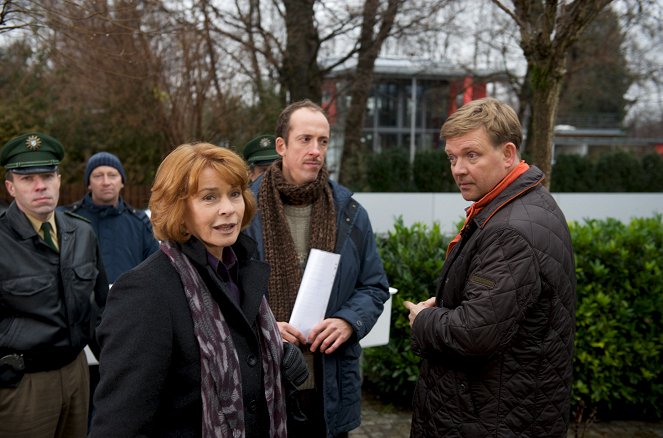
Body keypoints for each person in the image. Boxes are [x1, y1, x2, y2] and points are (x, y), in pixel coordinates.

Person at [90, 143, 306, 437]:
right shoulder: (144, 291)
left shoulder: (240, 269)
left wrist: (274, 355)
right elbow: (120, 423)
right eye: (209, 197)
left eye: (234, 194)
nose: (228, 209)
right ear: (176, 206)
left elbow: (230, 350)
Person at [404, 97, 576, 437]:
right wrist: (451, 304)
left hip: (491, 419)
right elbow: (501, 307)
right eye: (452, 158)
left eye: (472, 155)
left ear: (508, 154)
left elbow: (474, 332)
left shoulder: (509, 229)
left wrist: (424, 321)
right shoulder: (521, 205)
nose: (458, 169)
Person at [244, 100, 390, 438]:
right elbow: (222, 293)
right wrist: (261, 326)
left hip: (329, 383)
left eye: (323, 141)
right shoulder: (243, 212)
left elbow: (374, 286)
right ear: (281, 146)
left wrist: (348, 321)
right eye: (305, 139)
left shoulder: (350, 213)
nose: (316, 150)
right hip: (263, 381)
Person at [0, 132, 108, 438]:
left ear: (59, 180)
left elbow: (100, 306)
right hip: (22, 384)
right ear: (11, 187)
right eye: (27, 178)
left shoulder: (82, 233)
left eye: (47, 176)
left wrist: (113, 364)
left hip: (78, 373)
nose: (40, 186)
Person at [62, 151, 159, 284]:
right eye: (98, 176)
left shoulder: (140, 223)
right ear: (89, 183)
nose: (106, 182)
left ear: (122, 182)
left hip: (130, 302)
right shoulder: (67, 220)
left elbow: (155, 270)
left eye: (112, 175)